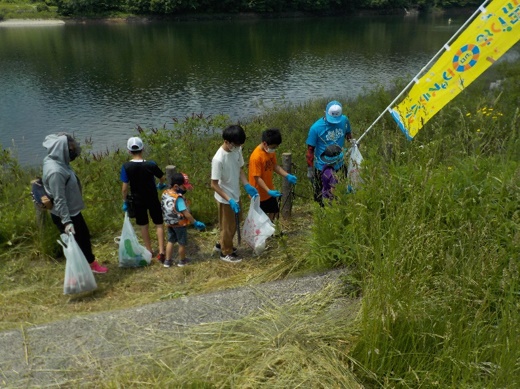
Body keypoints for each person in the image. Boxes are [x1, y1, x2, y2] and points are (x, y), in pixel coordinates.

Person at [42, 132, 108, 273]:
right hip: (66, 214)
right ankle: (80, 272)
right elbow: (59, 198)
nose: (73, 152)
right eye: (70, 149)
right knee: (76, 243)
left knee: (83, 238)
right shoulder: (56, 171)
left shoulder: (59, 162)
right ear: (63, 150)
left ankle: (87, 265)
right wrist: (66, 221)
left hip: (72, 211)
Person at [211, 124, 258, 263]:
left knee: (236, 221)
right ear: (227, 142)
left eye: (239, 145)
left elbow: (240, 168)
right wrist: (229, 200)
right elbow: (213, 184)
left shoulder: (237, 150)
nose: (238, 147)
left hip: (235, 193)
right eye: (235, 145)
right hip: (225, 198)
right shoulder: (218, 159)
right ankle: (226, 252)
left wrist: (247, 185)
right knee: (228, 226)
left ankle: (222, 244)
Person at [120, 136, 166, 263]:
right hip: (152, 198)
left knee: (143, 225)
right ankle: (162, 251)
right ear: (143, 149)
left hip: (137, 200)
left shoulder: (126, 166)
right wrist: (161, 184)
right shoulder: (151, 164)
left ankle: (149, 251)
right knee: (159, 224)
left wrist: (125, 202)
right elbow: (162, 177)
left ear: (129, 151)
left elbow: (124, 188)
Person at [306, 100, 352, 206]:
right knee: (320, 195)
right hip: (322, 167)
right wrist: (310, 169)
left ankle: (339, 212)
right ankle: (321, 215)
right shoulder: (316, 128)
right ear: (325, 113)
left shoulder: (344, 120)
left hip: (339, 164)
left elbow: (348, 135)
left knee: (340, 192)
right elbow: (310, 150)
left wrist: (352, 143)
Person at [248, 128, 297, 221]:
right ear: (265, 143)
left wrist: (287, 175)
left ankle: (268, 232)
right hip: (258, 193)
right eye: (273, 147)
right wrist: (268, 190)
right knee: (259, 220)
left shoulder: (270, 152)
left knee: (274, 211)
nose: (274, 149)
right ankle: (262, 234)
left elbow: (274, 166)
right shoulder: (256, 157)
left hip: (269, 190)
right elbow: (257, 178)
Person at [161, 172, 206, 268]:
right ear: (176, 186)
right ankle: (182, 261)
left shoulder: (165, 193)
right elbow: (186, 213)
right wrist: (195, 222)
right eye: (184, 186)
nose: (185, 188)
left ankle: (167, 261)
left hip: (169, 223)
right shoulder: (179, 199)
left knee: (170, 241)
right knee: (182, 243)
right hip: (180, 224)